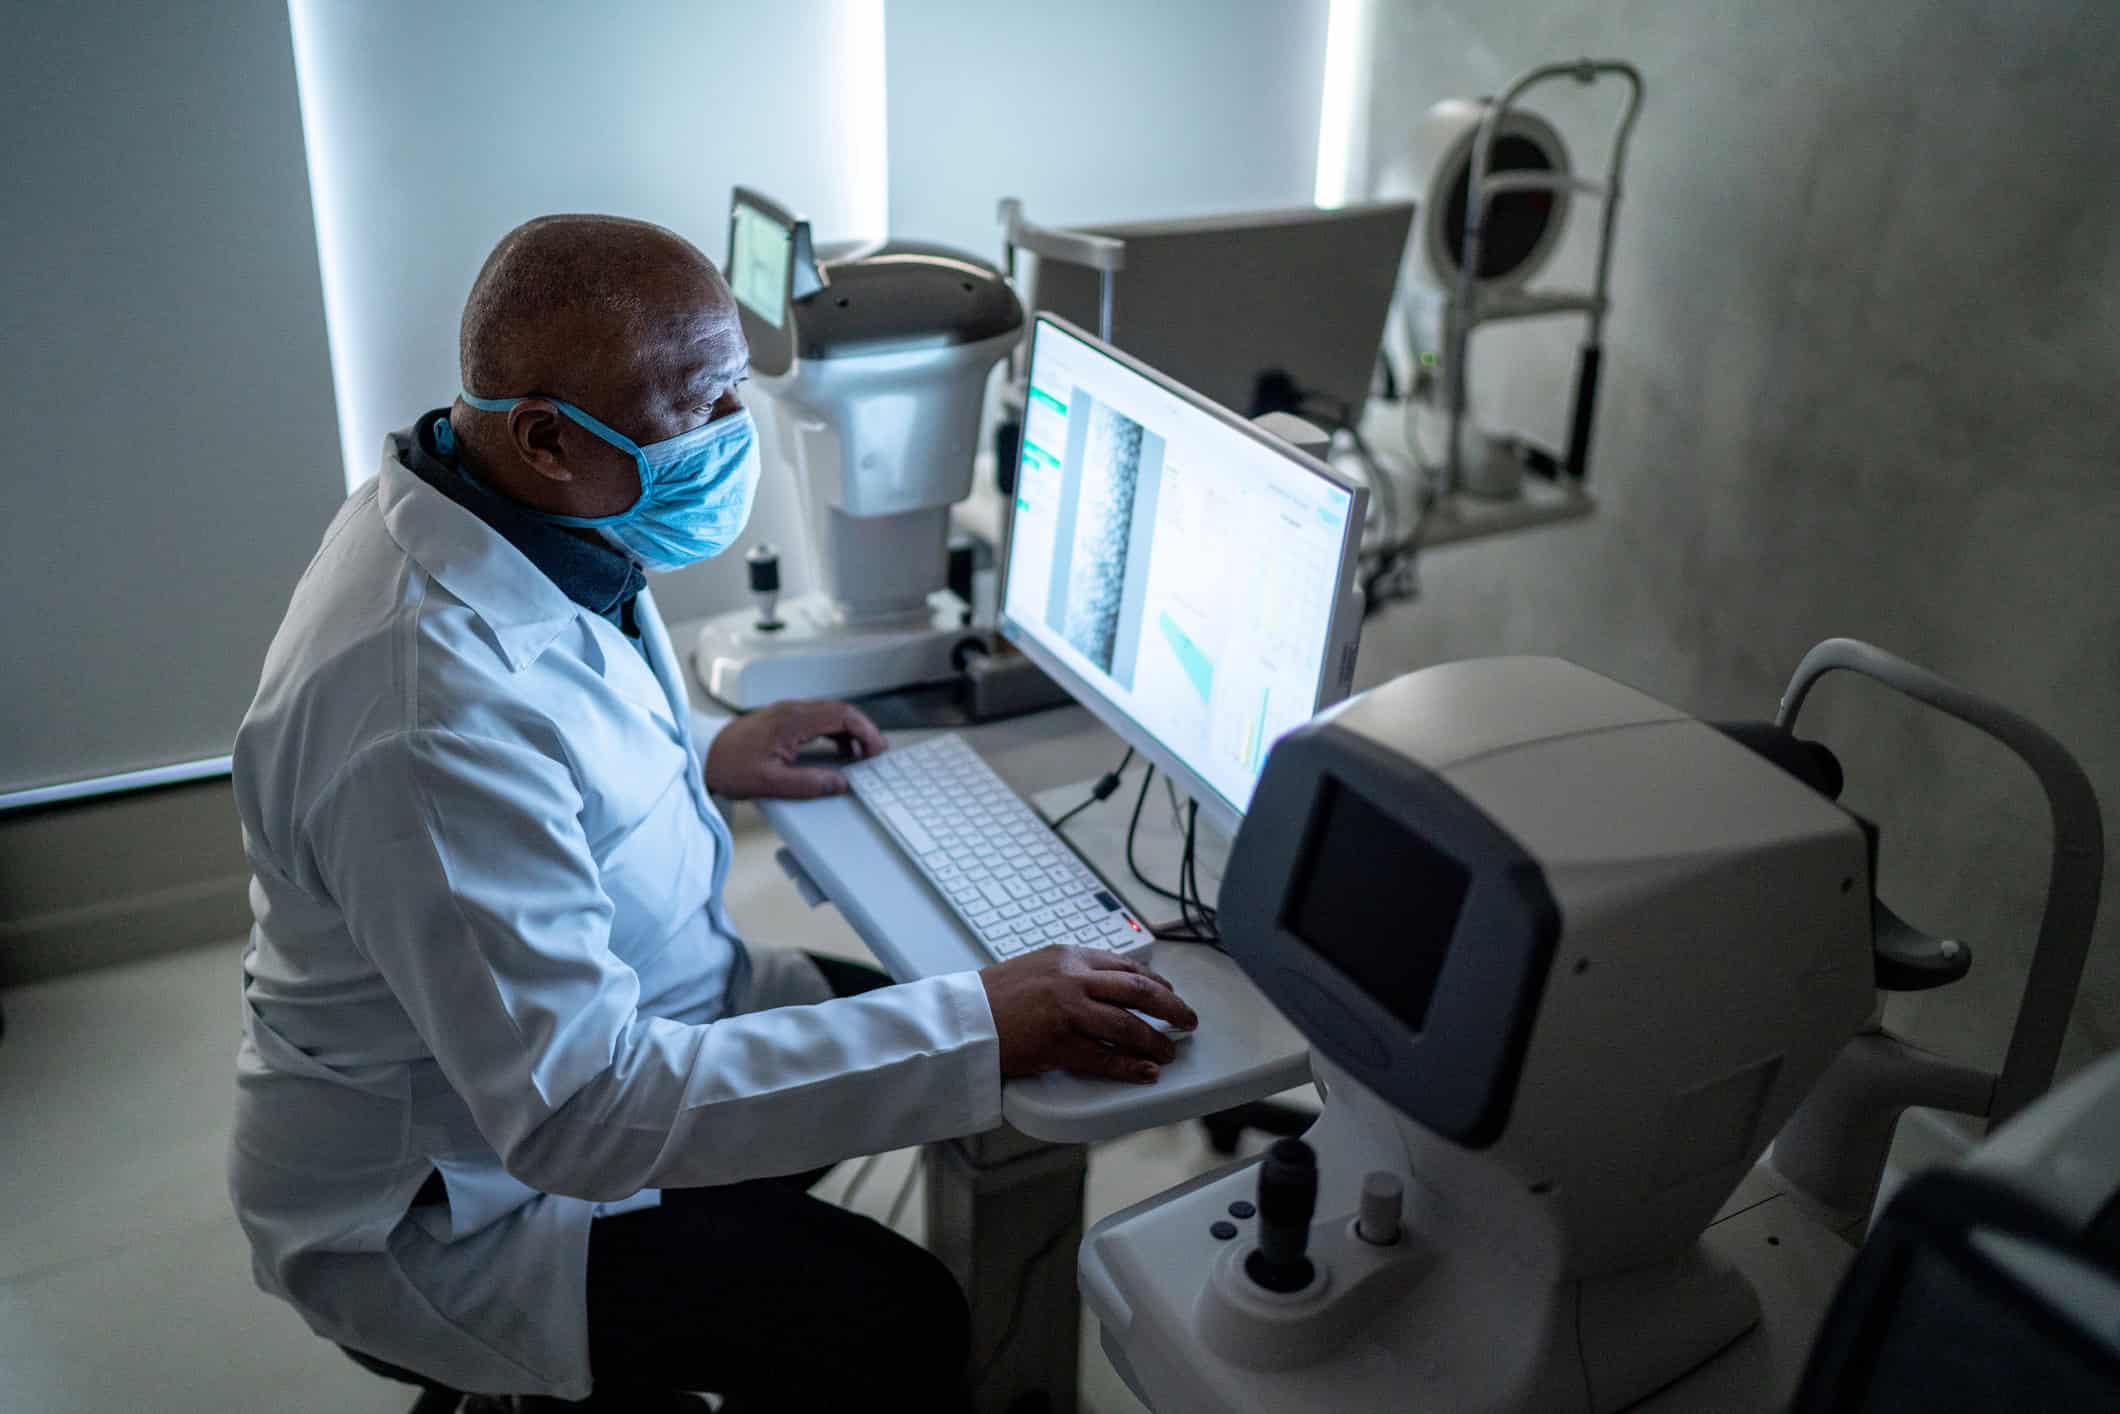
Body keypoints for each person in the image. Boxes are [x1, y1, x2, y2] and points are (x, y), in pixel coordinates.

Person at [228, 214, 1196, 1410]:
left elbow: (548, 738)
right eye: (701, 408)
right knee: (895, 1324)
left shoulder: (488, 507)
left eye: (735, 390)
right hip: (460, 1202)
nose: (733, 437)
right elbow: (581, 1115)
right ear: (543, 436)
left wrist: (706, 748)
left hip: (608, 1033)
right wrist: (981, 1027)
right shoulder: (421, 713)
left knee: (941, 1036)